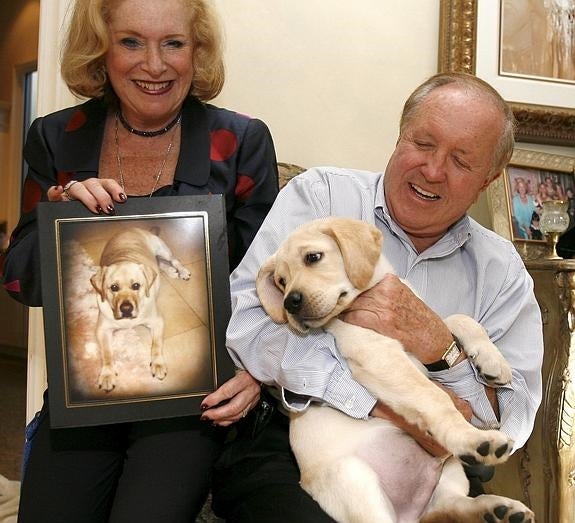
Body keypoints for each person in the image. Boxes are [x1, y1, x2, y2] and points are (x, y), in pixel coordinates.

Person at [211, 72, 543, 522]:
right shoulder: (322, 196)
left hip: (442, 458)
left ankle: (448, 509)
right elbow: (247, 325)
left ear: (487, 180)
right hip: (297, 445)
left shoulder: (501, 271)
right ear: (400, 135)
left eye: (461, 161)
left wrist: (441, 348)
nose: (432, 170)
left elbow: (515, 419)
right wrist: (384, 402)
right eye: (423, 144)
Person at [0, 0, 278, 521]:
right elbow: (20, 281)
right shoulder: (56, 137)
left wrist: (257, 371)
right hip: (86, 395)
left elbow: (269, 285)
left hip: (194, 400)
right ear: (101, 48)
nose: (154, 65)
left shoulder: (240, 142)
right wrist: (56, 222)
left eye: (173, 43)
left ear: (197, 52)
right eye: (131, 41)